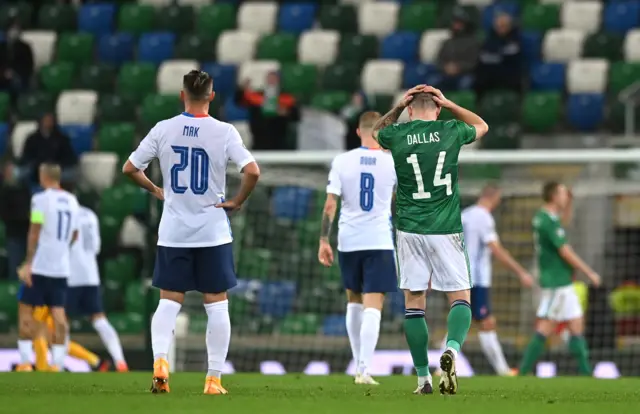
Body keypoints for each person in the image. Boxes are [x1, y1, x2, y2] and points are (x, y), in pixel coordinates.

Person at [122, 69, 260, 394]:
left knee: (168, 301)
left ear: (182, 95)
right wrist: (238, 200)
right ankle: (213, 379)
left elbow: (129, 168)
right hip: (212, 231)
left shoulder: (163, 129)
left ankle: (159, 363)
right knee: (217, 304)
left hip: (173, 232)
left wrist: (156, 188)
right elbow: (253, 171)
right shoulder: (224, 132)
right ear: (212, 96)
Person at [372, 84, 489, 395]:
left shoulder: (397, 134)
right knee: (461, 298)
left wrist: (397, 108)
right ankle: (450, 351)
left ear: (411, 110)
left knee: (414, 304)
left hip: (409, 229)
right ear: (437, 109)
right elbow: (482, 125)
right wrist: (450, 103)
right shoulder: (451, 129)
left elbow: (375, 132)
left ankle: (423, 378)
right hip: (447, 228)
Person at [318, 111, 397, 386]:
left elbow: (330, 204)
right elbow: (397, 200)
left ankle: (358, 364)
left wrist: (323, 240)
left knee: (353, 299)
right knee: (373, 303)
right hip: (379, 240)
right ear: (383, 131)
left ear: (357, 131)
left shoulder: (342, 161)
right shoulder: (392, 162)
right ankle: (364, 368)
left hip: (349, 241)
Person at [445, 184, 533, 376]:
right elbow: (496, 249)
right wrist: (520, 272)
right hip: (477, 278)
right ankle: (502, 370)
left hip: (459, 275)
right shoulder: (484, 218)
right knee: (485, 322)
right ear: (494, 197)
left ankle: (443, 365)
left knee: (463, 318)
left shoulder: (465, 215)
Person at [519, 182, 601, 376]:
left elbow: (563, 225)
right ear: (554, 196)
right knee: (546, 326)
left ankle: (585, 373)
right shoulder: (547, 221)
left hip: (562, 280)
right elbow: (565, 251)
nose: (566, 197)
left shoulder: (545, 218)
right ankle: (522, 372)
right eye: (564, 194)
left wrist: (570, 204)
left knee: (576, 323)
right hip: (555, 281)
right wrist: (589, 272)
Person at [15, 163, 80, 372]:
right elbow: (75, 235)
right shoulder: (72, 201)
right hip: (61, 267)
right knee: (59, 315)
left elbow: (35, 230)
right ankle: (58, 363)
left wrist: (28, 262)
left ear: (44, 176)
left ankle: (26, 361)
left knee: (25, 311)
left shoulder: (40, 200)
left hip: (41, 266)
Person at [66, 204, 128, 372]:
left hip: (69, 275)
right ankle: (120, 361)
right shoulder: (90, 214)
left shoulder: (64, 212)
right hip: (90, 274)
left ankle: (57, 364)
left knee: (59, 324)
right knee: (99, 319)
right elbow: (96, 247)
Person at [234, 71, 300, 150]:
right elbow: (239, 101)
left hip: (280, 140)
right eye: (269, 79)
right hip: (259, 139)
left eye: (274, 79)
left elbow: (296, 116)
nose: (271, 81)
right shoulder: (256, 96)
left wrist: (286, 112)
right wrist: (242, 88)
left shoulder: (286, 97)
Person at [19, 113, 78, 188]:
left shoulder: (62, 138)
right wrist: (37, 165)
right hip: (37, 170)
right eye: (46, 120)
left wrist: (57, 166)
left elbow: (69, 158)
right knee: (19, 173)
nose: (48, 123)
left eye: (50, 120)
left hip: (57, 170)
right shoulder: (32, 139)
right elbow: (26, 157)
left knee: (71, 174)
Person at [475, 12, 522, 99]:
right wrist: (497, 57)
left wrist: (496, 57)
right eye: (499, 26)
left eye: (504, 26)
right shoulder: (489, 39)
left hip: (509, 73)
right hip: (490, 73)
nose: (501, 29)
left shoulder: (515, 39)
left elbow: (511, 57)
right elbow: (483, 57)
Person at [0, 162, 31, 280]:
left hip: (28, 231)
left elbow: (34, 208)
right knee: (15, 265)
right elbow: (4, 213)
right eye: (10, 171)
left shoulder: (24, 188)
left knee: (28, 266)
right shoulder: (4, 191)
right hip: (13, 232)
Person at [435, 8, 478, 91]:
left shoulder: (473, 42)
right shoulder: (447, 43)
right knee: (433, 82)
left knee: (466, 83)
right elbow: (439, 61)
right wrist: (445, 67)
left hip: (464, 74)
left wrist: (459, 67)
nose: (457, 25)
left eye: (459, 23)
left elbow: (474, 63)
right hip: (446, 73)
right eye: (455, 22)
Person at [0, 19, 34, 99]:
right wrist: (4, 73)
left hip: (19, 77)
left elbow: (29, 65)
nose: (15, 31)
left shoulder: (25, 47)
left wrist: (15, 73)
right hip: (2, 77)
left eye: (18, 29)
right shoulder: (1, 47)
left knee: (17, 84)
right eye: (13, 29)